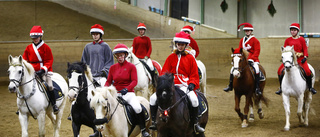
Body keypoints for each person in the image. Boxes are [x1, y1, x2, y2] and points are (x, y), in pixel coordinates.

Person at [149, 31, 205, 133]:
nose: (180, 47)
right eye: (178, 44)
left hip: (184, 85)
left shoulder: (190, 58)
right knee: (153, 98)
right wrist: (163, 84)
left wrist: (192, 83)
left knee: (194, 100)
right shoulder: (171, 57)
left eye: (182, 45)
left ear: (186, 45)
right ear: (176, 44)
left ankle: (195, 123)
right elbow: (164, 72)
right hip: (171, 84)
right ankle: (154, 122)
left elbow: (194, 74)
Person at [104, 44, 150, 137]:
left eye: (121, 55)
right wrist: (104, 90)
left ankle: (143, 129)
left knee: (137, 108)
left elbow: (134, 81)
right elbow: (108, 81)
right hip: (116, 94)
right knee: (104, 108)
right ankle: (99, 131)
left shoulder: (131, 66)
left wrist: (127, 89)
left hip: (128, 94)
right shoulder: (113, 68)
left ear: (125, 55)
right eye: (118, 56)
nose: (120, 57)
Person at [22, 26, 59, 114]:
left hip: (44, 71)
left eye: (37, 37)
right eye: (33, 38)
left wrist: (42, 70)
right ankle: (22, 105)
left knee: (49, 86)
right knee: (24, 86)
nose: (35, 39)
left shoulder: (46, 47)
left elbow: (49, 60)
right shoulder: (28, 48)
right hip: (32, 72)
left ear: (40, 37)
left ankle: (54, 105)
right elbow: (24, 60)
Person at [275, 23, 317, 95]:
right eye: (291, 30)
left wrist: (305, 57)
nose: (293, 32)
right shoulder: (288, 40)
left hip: (300, 59)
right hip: (290, 60)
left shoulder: (302, 39)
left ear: (297, 31)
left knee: (307, 71)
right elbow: (285, 50)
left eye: (294, 30)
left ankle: (310, 87)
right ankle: (281, 88)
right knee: (279, 71)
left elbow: (305, 49)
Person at [223, 23, 262, 96]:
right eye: (246, 30)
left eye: (248, 30)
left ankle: (257, 88)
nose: (247, 32)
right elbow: (240, 50)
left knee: (256, 69)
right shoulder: (242, 40)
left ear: (251, 31)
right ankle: (230, 86)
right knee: (232, 69)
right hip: (243, 60)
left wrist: (252, 59)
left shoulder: (255, 40)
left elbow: (257, 51)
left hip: (253, 59)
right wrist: (236, 55)